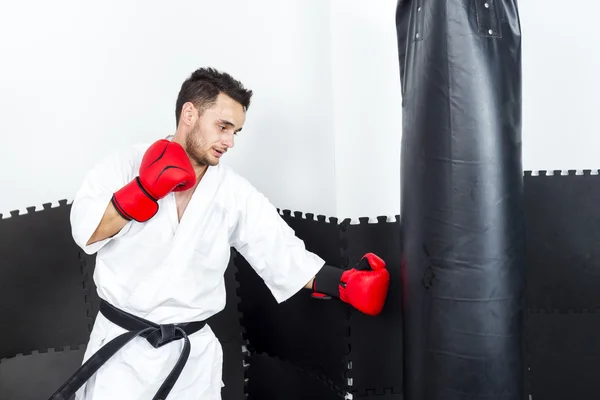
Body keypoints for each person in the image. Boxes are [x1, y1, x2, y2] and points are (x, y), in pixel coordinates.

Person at [52, 67, 390, 400]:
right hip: (122, 355)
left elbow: (280, 251)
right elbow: (87, 232)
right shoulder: (124, 165)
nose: (229, 142)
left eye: (235, 132)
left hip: (191, 365)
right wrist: (142, 191)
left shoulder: (233, 192)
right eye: (223, 127)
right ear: (189, 114)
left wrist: (344, 284)